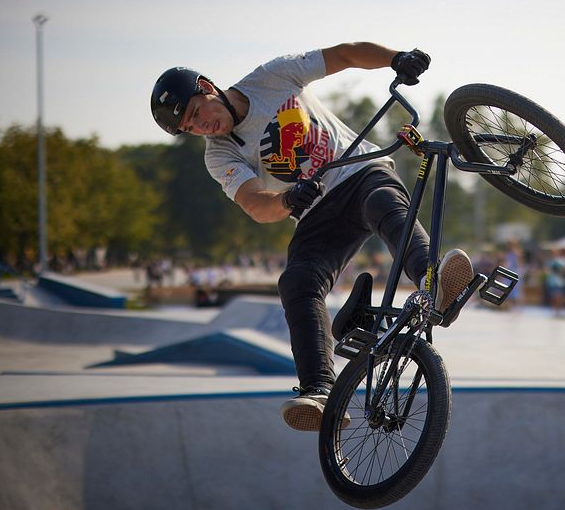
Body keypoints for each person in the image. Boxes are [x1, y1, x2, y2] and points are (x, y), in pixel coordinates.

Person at [150, 43, 476, 431]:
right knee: (297, 280)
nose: (202, 127)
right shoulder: (218, 155)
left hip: (361, 173)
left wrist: (394, 59)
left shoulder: (271, 77)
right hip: (317, 211)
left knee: (385, 207)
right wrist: (287, 198)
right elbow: (255, 203)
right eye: (190, 128)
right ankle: (320, 390)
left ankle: (433, 280)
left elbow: (345, 55)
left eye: (195, 113)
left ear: (207, 87)